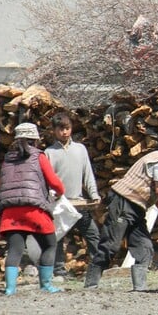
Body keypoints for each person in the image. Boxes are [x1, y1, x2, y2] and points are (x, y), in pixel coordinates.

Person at [84, 134, 158, 291]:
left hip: (136, 205)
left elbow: (154, 193)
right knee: (111, 245)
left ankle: (140, 288)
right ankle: (91, 284)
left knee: (144, 247)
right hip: (124, 201)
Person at [0, 122, 65, 296]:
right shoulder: (38, 156)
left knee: (14, 250)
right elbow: (54, 181)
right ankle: (46, 285)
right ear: (35, 139)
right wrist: (60, 192)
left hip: (10, 211)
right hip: (34, 210)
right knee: (50, 245)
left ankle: (10, 289)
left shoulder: (7, 158)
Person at [44, 112, 101, 280]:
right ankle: (59, 271)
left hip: (79, 202)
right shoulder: (49, 152)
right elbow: (48, 180)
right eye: (60, 129)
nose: (64, 132)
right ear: (54, 131)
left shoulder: (80, 149)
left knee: (92, 234)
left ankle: (98, 267)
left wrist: (94, 193)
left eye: (67, 128)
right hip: (60, 204)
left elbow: (88, 174)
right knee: (58, 237)